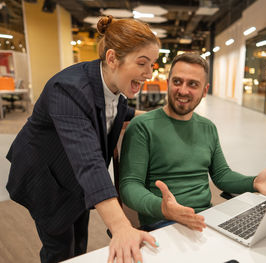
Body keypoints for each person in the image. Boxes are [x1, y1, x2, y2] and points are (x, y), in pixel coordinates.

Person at [6, 16, 160, 263]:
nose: (149, 73)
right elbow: (89, 161)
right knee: (59, 248)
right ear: (112, 58)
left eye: (152, 64)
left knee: (79, 242)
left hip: (74, 181)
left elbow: (118, 111)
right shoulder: (69, 89)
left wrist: (161, 116)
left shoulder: (113, 90)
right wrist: (121, 227)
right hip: (45, 179)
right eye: (143, 63)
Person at [119, 52, 266, 231]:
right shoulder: (142, 127)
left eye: (192, 84)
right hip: (164, 223)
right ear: (168, 83)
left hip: (206, 218)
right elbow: (129, 186)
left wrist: (254, 182)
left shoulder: (207, 127)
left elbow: (222, 175)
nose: (183, 90)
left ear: (205, 91)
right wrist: (163, 208)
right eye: (177, 81)